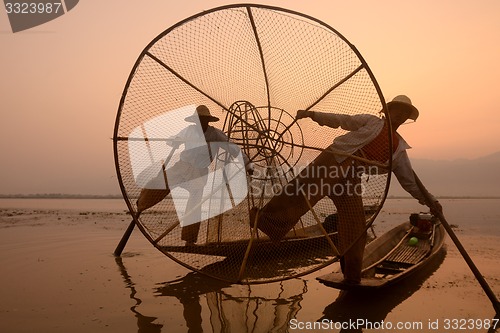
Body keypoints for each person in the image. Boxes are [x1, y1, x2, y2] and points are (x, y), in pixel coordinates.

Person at [254, 95, 442, 284]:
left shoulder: (399, 148)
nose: (400, 115)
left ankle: (352, 274)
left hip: (351, 177)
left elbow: (409, 182)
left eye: (404, 113)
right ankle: (264, 220)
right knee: (302, 192)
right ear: (387, 110)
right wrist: (312, 114)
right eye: (397, 110)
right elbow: (342, 120)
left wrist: (431, 201)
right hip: (334, 159)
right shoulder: (372, 121)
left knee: (355, 223)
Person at [136, 105, 253, 245]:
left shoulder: (215, 134)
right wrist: (175, 141)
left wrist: (247, 164)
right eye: (198, 120)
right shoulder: (189, 131)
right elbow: (174, 138)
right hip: (182, 167)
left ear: (208, 121)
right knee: (160, 182)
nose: (201, 123)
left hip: (200, 172)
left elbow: (233, 148)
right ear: (195, 121)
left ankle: (189, 240)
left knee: (195, 206)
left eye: (203, 120)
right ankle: (141, 205)